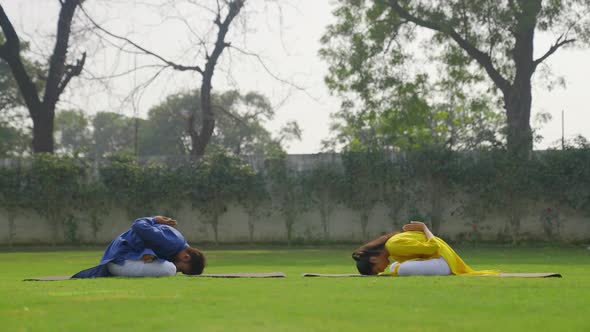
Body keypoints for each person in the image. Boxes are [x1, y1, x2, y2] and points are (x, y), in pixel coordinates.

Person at [72, 216, 206, 278]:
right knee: (169, 270)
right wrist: (155, 219)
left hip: (122, 260)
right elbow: (138, 225)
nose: (178, 270)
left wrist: (148, 254)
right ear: (186, 257)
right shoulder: (172, 242)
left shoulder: (177, 243)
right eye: (181, 269)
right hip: (120, 262)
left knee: (168, 268)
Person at [352, 221, 497, 276]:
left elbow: (433, 246)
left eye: (377, 269)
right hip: (437, 258)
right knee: (395, 267)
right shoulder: (393, 251)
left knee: (402, 269)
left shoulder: (393, 245)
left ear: (374, 258)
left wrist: (424, 227)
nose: (381, 270)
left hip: (444, 260)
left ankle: (448, 270)